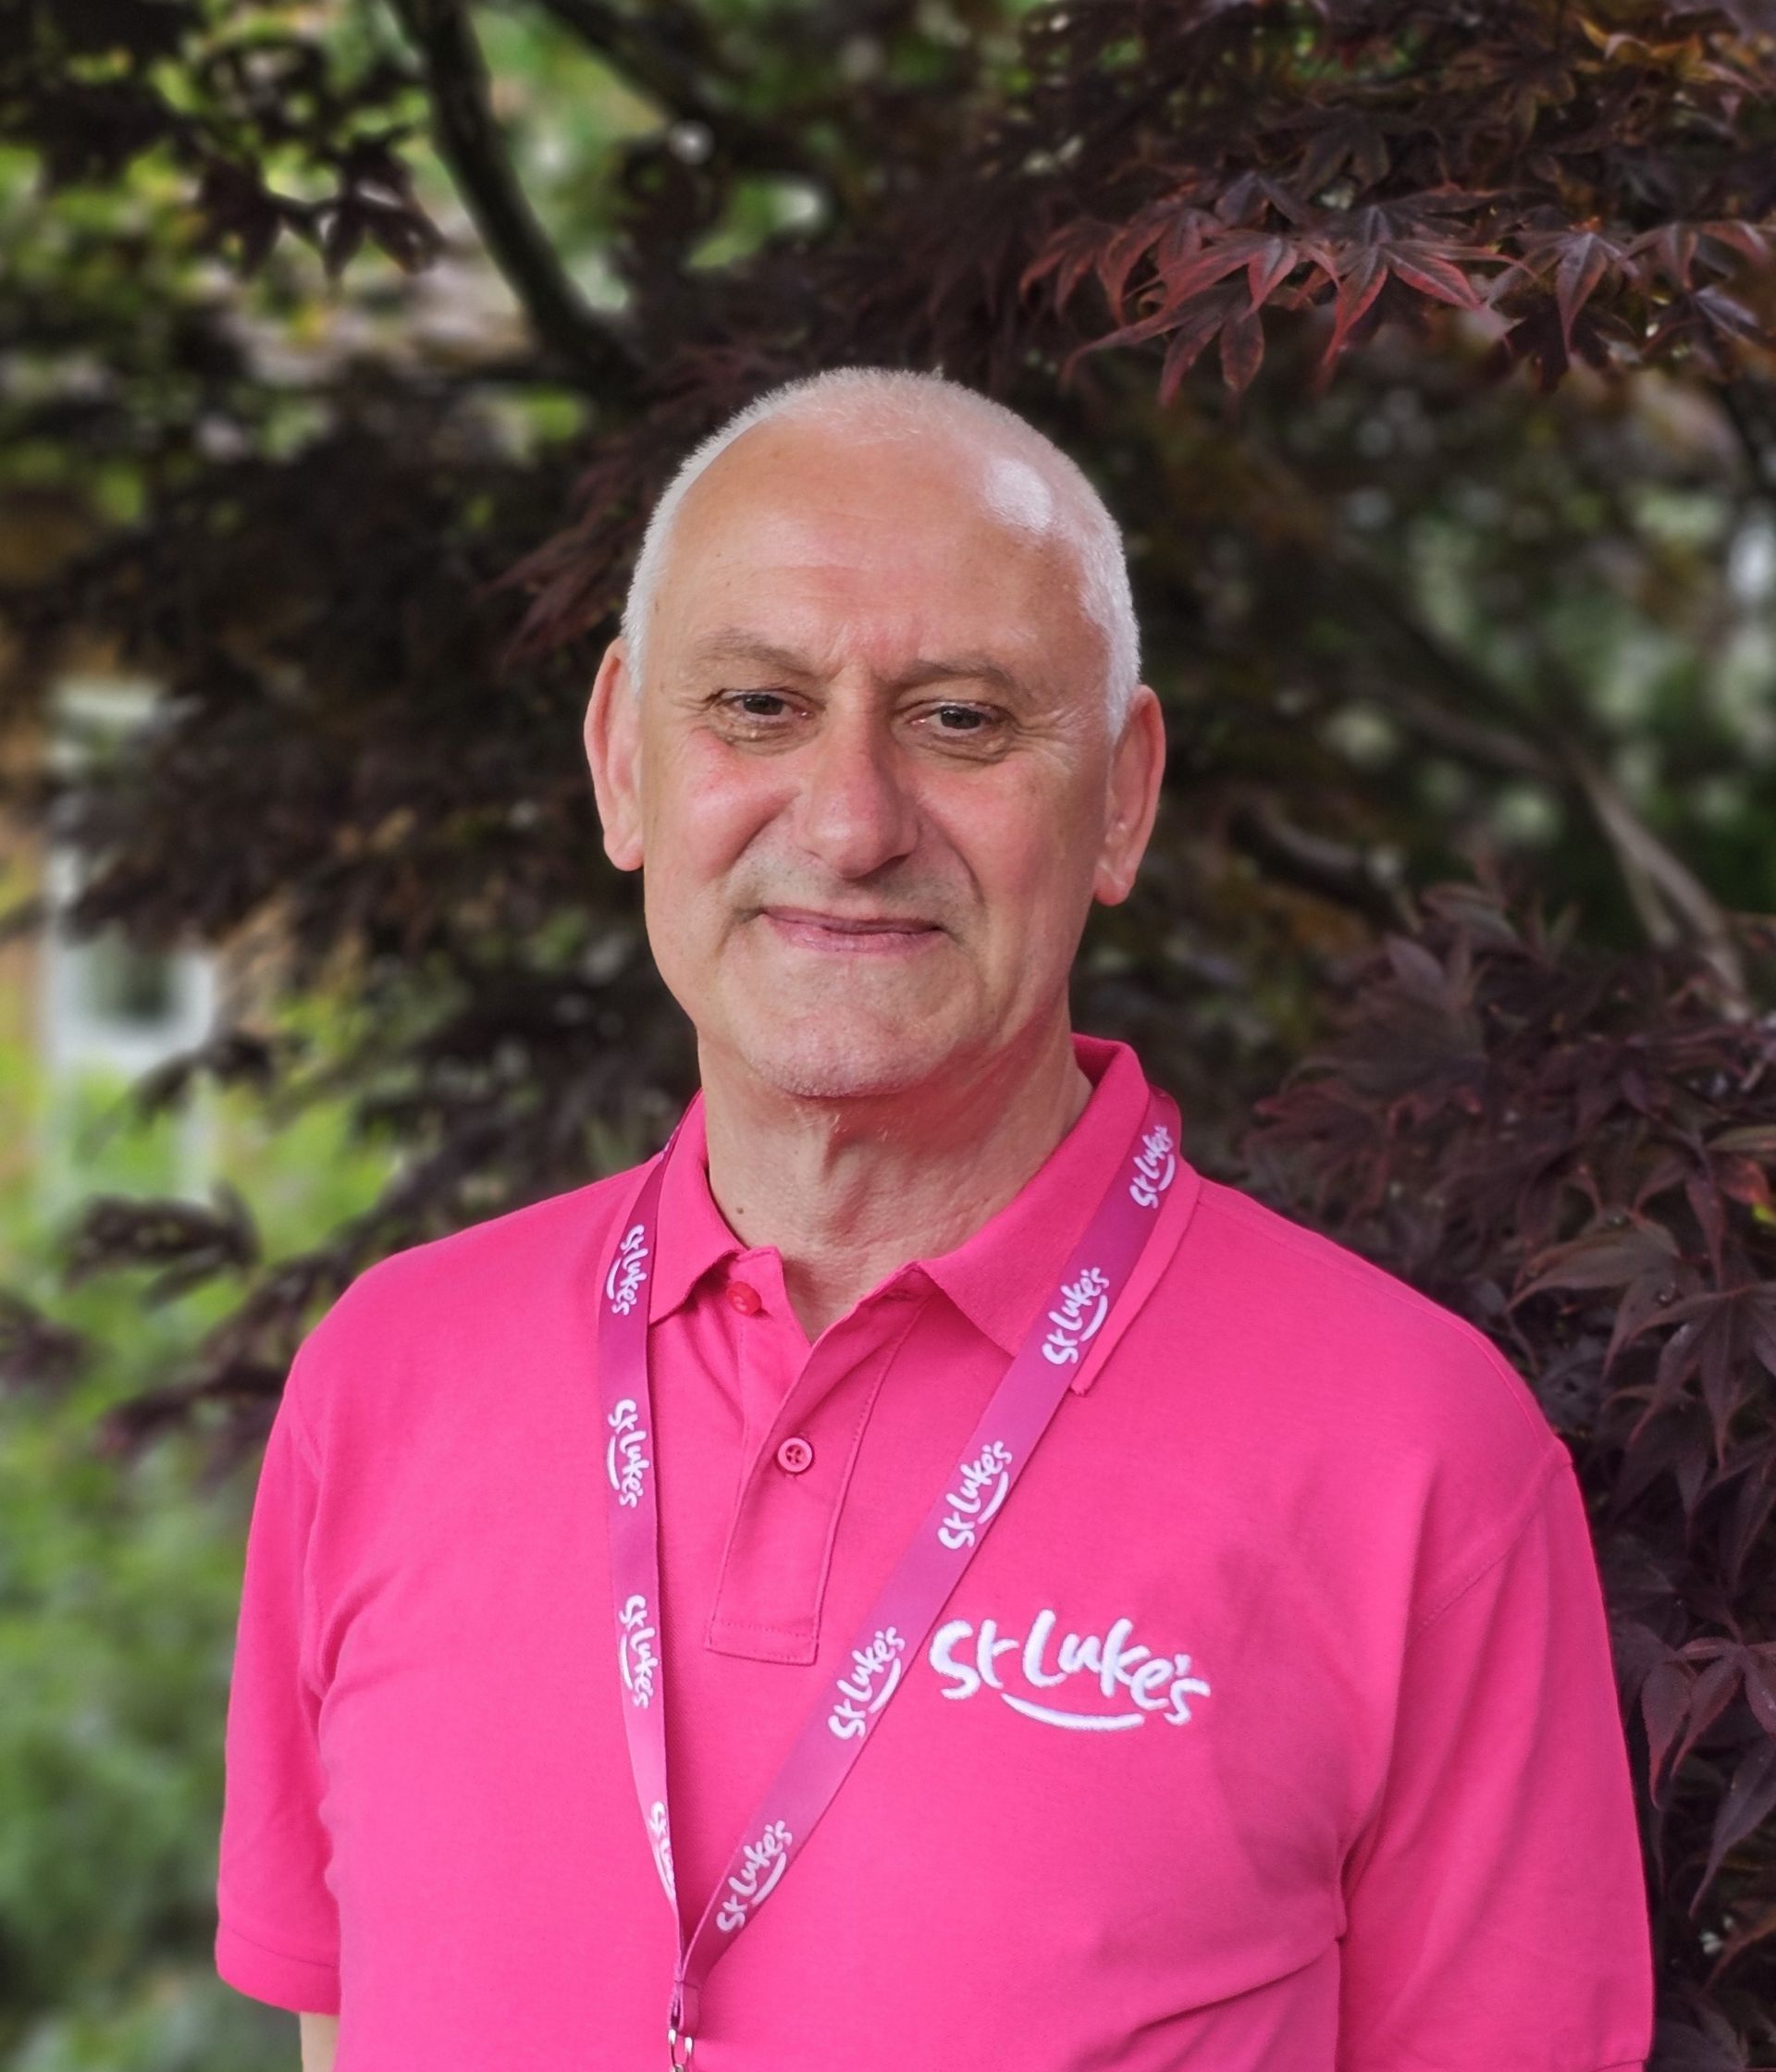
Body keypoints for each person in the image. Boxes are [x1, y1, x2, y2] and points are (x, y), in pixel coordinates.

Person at [215, 365, 1655, 2070]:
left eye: (961, 718)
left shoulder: (1420, 1455)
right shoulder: (389, 1374)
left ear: (1120, 795)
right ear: (621, 764)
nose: (849, 819)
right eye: (756, 704)